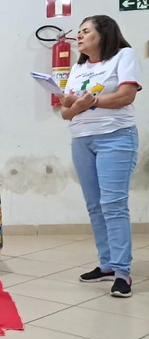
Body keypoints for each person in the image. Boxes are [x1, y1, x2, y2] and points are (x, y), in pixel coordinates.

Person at [59, 15, 142, 298]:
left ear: (103, 34)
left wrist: (88, 102)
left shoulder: (123, 56)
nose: (79, 36)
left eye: (85, 31)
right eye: (79, 32)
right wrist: (77, 105)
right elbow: (66, 112)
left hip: (115, 137)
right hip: (82, 139)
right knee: (95, 206)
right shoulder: (79, 67)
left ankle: (122, 272)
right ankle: (106, 264)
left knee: (113, 205)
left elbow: (126, 96)